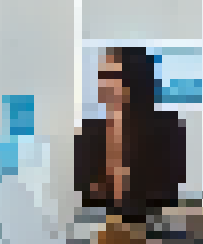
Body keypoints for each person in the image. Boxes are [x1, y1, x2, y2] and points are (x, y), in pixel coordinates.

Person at [73, 46, 188, 223]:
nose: (103, 84)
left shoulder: (169, 127)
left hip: (154, 226)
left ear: (133, 79)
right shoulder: (89, 131)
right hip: (101, 226)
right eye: (102, 76)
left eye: (112, 77)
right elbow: (84, 194)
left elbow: (168, 192)